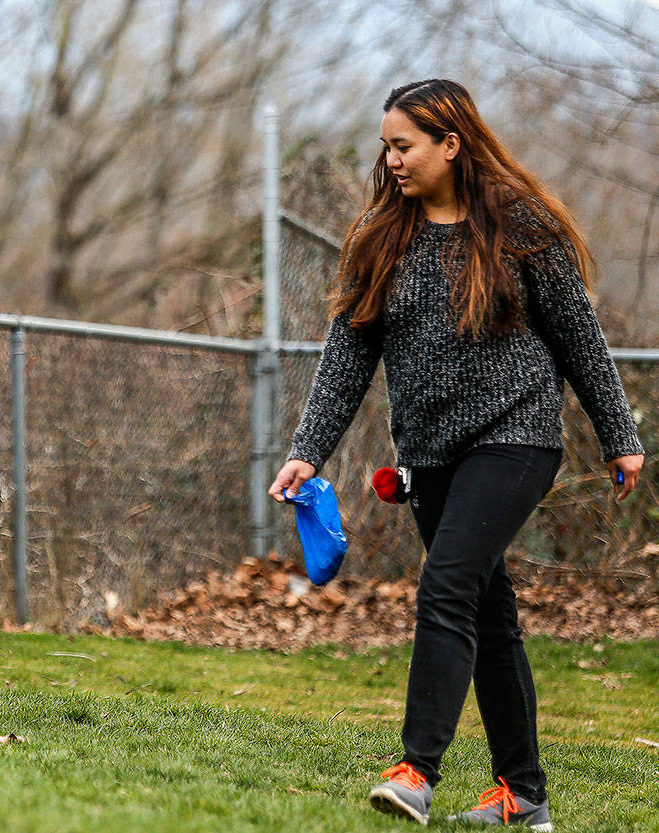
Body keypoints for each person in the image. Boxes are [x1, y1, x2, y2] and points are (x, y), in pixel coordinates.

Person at [270, 79, 643, 829]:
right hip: (430, 452)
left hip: (516, 437)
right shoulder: (380, 236)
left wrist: (620, 435)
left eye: (403, 144)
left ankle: (416, 770)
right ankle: (524, 792)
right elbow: (348, 355)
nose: (391, 158)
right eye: (386, 144)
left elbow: (578, 336)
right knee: (487, 610)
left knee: (444, 584)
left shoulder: (520, 226)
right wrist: (308, 449)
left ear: (452, 142)